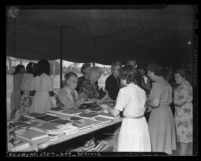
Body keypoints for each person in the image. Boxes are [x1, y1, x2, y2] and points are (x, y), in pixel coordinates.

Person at [106, 65, 151, 152]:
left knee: (128, 147)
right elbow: (143, 108)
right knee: (140, 147)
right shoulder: (141, 91)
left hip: (130, 124)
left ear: (123, 77)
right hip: (142, 123)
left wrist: (107, 107)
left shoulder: (124, 91)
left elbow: (115, 113)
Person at [146, 63, 176, 154]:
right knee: (163, 139)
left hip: (158, 115)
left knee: (155, 139)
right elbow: (170, 99)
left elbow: (155, 103)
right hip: (167, 113)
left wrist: (146, 101)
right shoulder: (166, 82)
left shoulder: (157, 84)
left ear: (152, 72)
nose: (147, 75)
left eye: (148, 73)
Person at [173, 69, 193, 156]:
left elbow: (180, 101)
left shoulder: (184, 86)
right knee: (183, 139)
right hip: (183, 114)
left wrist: (172, 101)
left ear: (183, 77)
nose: (175, 79)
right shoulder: (184, 85)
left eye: (177, 77)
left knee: (183, 139)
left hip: (184, 116)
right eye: (175, 77)